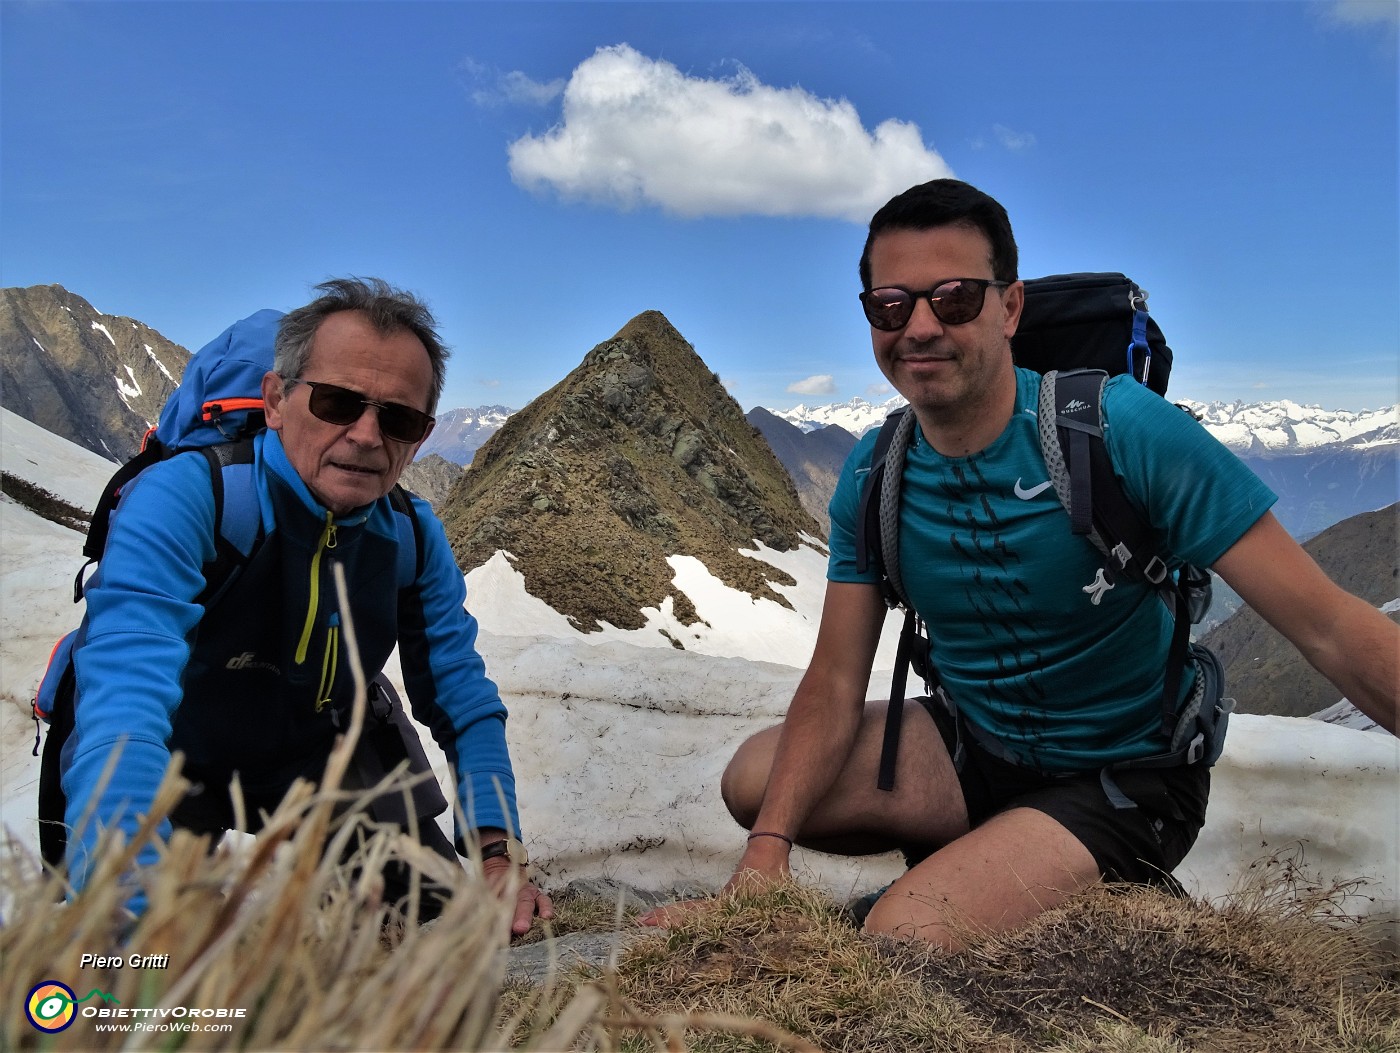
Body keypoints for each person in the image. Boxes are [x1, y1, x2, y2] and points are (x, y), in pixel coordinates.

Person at [644, 179, 1398, 949]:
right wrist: (765, 857)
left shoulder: (1120, 431)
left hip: (1126, 776)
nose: (921, 327)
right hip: (978, 751)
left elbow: (1331, 627)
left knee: (903, 935)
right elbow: (836, 678)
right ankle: (1000, 861)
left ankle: (1086, 875)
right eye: (891, 305)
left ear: (1011, 308)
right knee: (753, 783)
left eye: (957, 298)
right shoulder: (876, 476)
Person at [55, 277, 553, 932]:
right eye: (337, 402)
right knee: (122, 961)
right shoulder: (186, 498)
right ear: (276, 400)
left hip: (321, 746)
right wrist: (133, 913)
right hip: (173, 751)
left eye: (399, 418)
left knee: (440, 924)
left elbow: (461, 695)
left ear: (421, 435)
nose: (367, 434)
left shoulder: (410, 531)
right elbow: (125, 706)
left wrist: (498, 856)